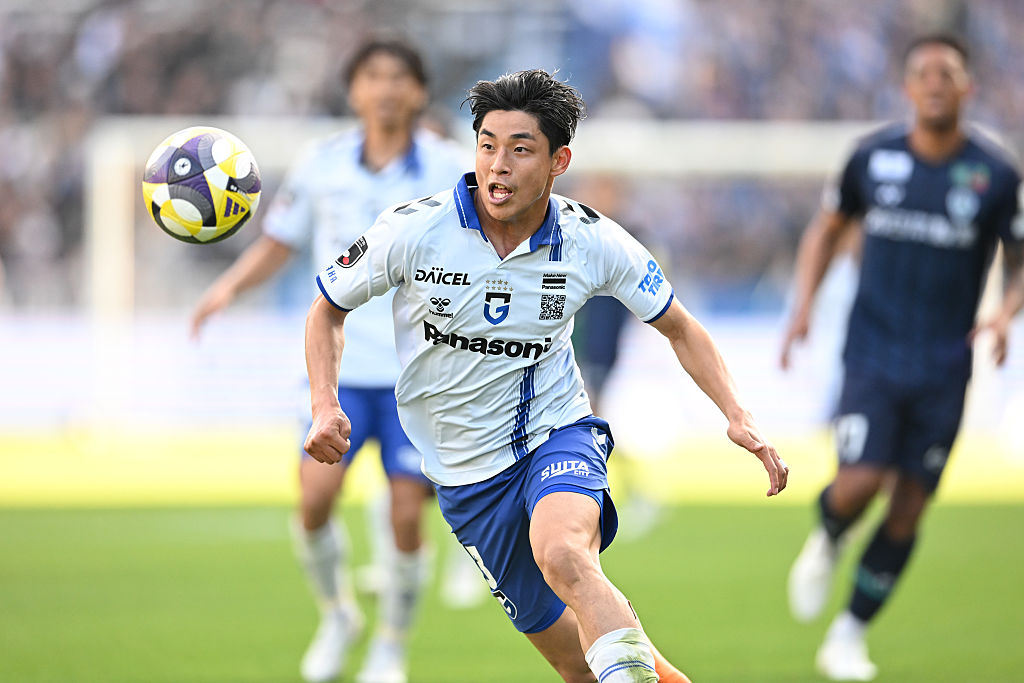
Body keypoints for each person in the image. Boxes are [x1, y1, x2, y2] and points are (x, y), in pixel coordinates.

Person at [304, 68, 788, 683]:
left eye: (520, 149)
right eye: (487, 145)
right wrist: (324, 403)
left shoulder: (592, 240)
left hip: (555, 436)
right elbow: (327, 309)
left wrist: (738, 416)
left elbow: (681, 327)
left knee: (564, 554)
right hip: (465, 480)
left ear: (559, 161)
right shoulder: (414, 229)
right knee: (578, 666)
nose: (498, 165)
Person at [190, 38, 468, 683]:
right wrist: (227, 288)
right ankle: (339, 613)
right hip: (335, 370)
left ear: (420, 92)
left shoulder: (451, 168)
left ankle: (392, 644)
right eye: (373, 76)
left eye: (399, 77)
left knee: (406, 514)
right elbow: (280, 240)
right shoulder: (322, 164)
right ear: (354, 91)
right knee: (314, 500)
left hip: (418, 376)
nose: (386, 88)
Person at [780, 33, 1024, 682]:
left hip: (946, 366)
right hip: (873, 354)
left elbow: (1021, 255)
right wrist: (803, 306)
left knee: (910, 505)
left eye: (949, 72)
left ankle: (848, 634)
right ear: (909, 88)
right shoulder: (872, 158)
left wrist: (1006, 311)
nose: (936, 82)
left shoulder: (997, 176)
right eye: (925, 72)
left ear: (968, 87)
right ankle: (830, 532)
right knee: (859, 483)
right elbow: (827, 229)